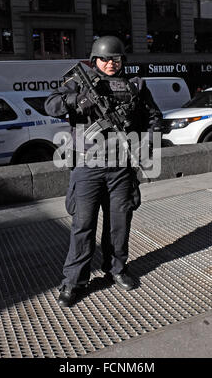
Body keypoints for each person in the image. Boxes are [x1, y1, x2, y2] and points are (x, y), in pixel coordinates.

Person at [45, 35, 162, 307]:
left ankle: (117, 269)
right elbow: (50, 105)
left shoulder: (135, 86)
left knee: (119, 225)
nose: (111, 64)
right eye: (105, 59)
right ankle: (74, 281)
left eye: (116, 59)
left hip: (121, 167)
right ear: (95, 59)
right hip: (88, 166)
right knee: (82, 226)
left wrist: (148, 143)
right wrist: (79, 100)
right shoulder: (78, 82)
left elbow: (154, 117)